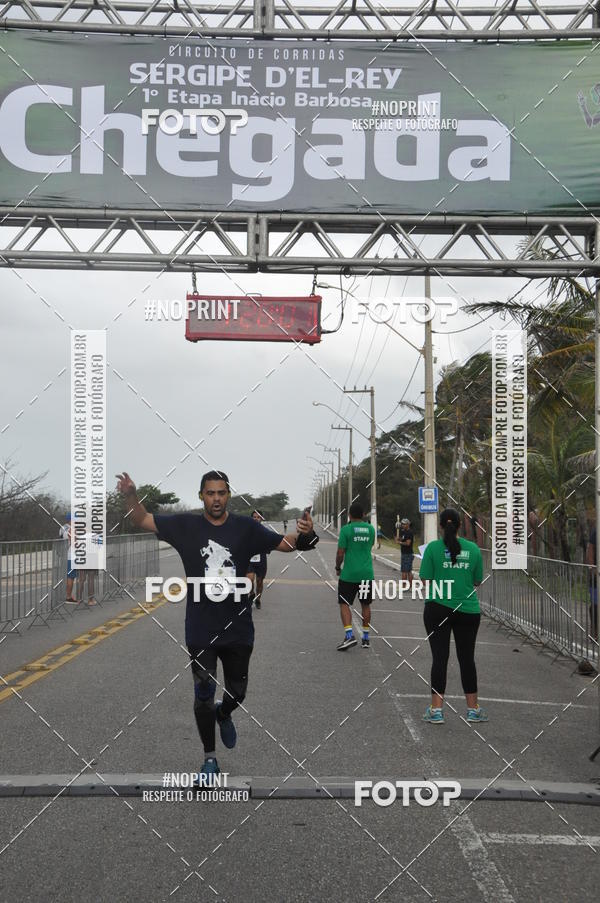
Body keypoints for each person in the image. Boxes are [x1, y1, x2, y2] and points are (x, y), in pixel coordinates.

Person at [116, 469, 318, 779]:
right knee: (202, 693)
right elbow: (142, 519)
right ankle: (209, 759)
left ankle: (225, 712)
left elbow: (287, 544)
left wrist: (304, 534)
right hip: (201, 629)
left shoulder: (246, 528)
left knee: (238, 692)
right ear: (201, 496)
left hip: (238, 629)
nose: (216, 499)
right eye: (210, 493)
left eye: (221, 493)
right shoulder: (185, 526)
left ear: (228, 495)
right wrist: (130, 494)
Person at [419, 508, 487, 724]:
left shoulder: (432, 548)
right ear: (459, 526)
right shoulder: (474, 549)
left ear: (440, 526)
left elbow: (425, 578)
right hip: (468, 610)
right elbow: (477, 580)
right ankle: (473, 709)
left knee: (440, 658)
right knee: (467, 659)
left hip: (438, 607)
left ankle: (436, 710)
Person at [335, 501, 375, 650]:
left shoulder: (346, 530)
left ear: (350, 515)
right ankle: (365, 638)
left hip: (349, 575)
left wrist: (338, 567)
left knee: (344, 603)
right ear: (364, 515)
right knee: (365, 604)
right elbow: (369, 547)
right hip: (366, 574)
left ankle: (349, 635)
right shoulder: (371, 529)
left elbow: (340, 553)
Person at [247, 510, 268, 609]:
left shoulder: (265, 531)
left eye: (258, 517)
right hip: (249, 559)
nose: (256, 519)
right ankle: (251, 593)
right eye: (254, 517)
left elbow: (270, 542)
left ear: (261, 519)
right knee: (249, 580)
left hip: (261, 560)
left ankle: (258, 599)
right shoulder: (246, 530)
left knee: (259, 582)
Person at [59, 513, 78, 603]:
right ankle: (68, 597)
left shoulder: (62, 528)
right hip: (71, 555)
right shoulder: (72, 529)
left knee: (68, 576)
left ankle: (68, 595)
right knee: (71, 577)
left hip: (65, 554)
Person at [585, 527, 598, 641]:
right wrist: (592, 567)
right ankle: (594, 630)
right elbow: (590, 548)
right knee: (595, 604)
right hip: (596, 575)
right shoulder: (596, 531)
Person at [399, 517, 415, 585]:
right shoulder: (404, 532)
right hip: (404, 553)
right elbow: (402, 539)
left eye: (404, 524)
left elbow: (408, 543)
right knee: (408, 571)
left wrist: (399, 543)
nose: (403, 525)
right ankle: (409, 586)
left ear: (408, 524)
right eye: (402, 524)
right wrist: (398, 539)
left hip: (407, 554)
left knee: (405, 571)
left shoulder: (409, 532)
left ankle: (404, 586)